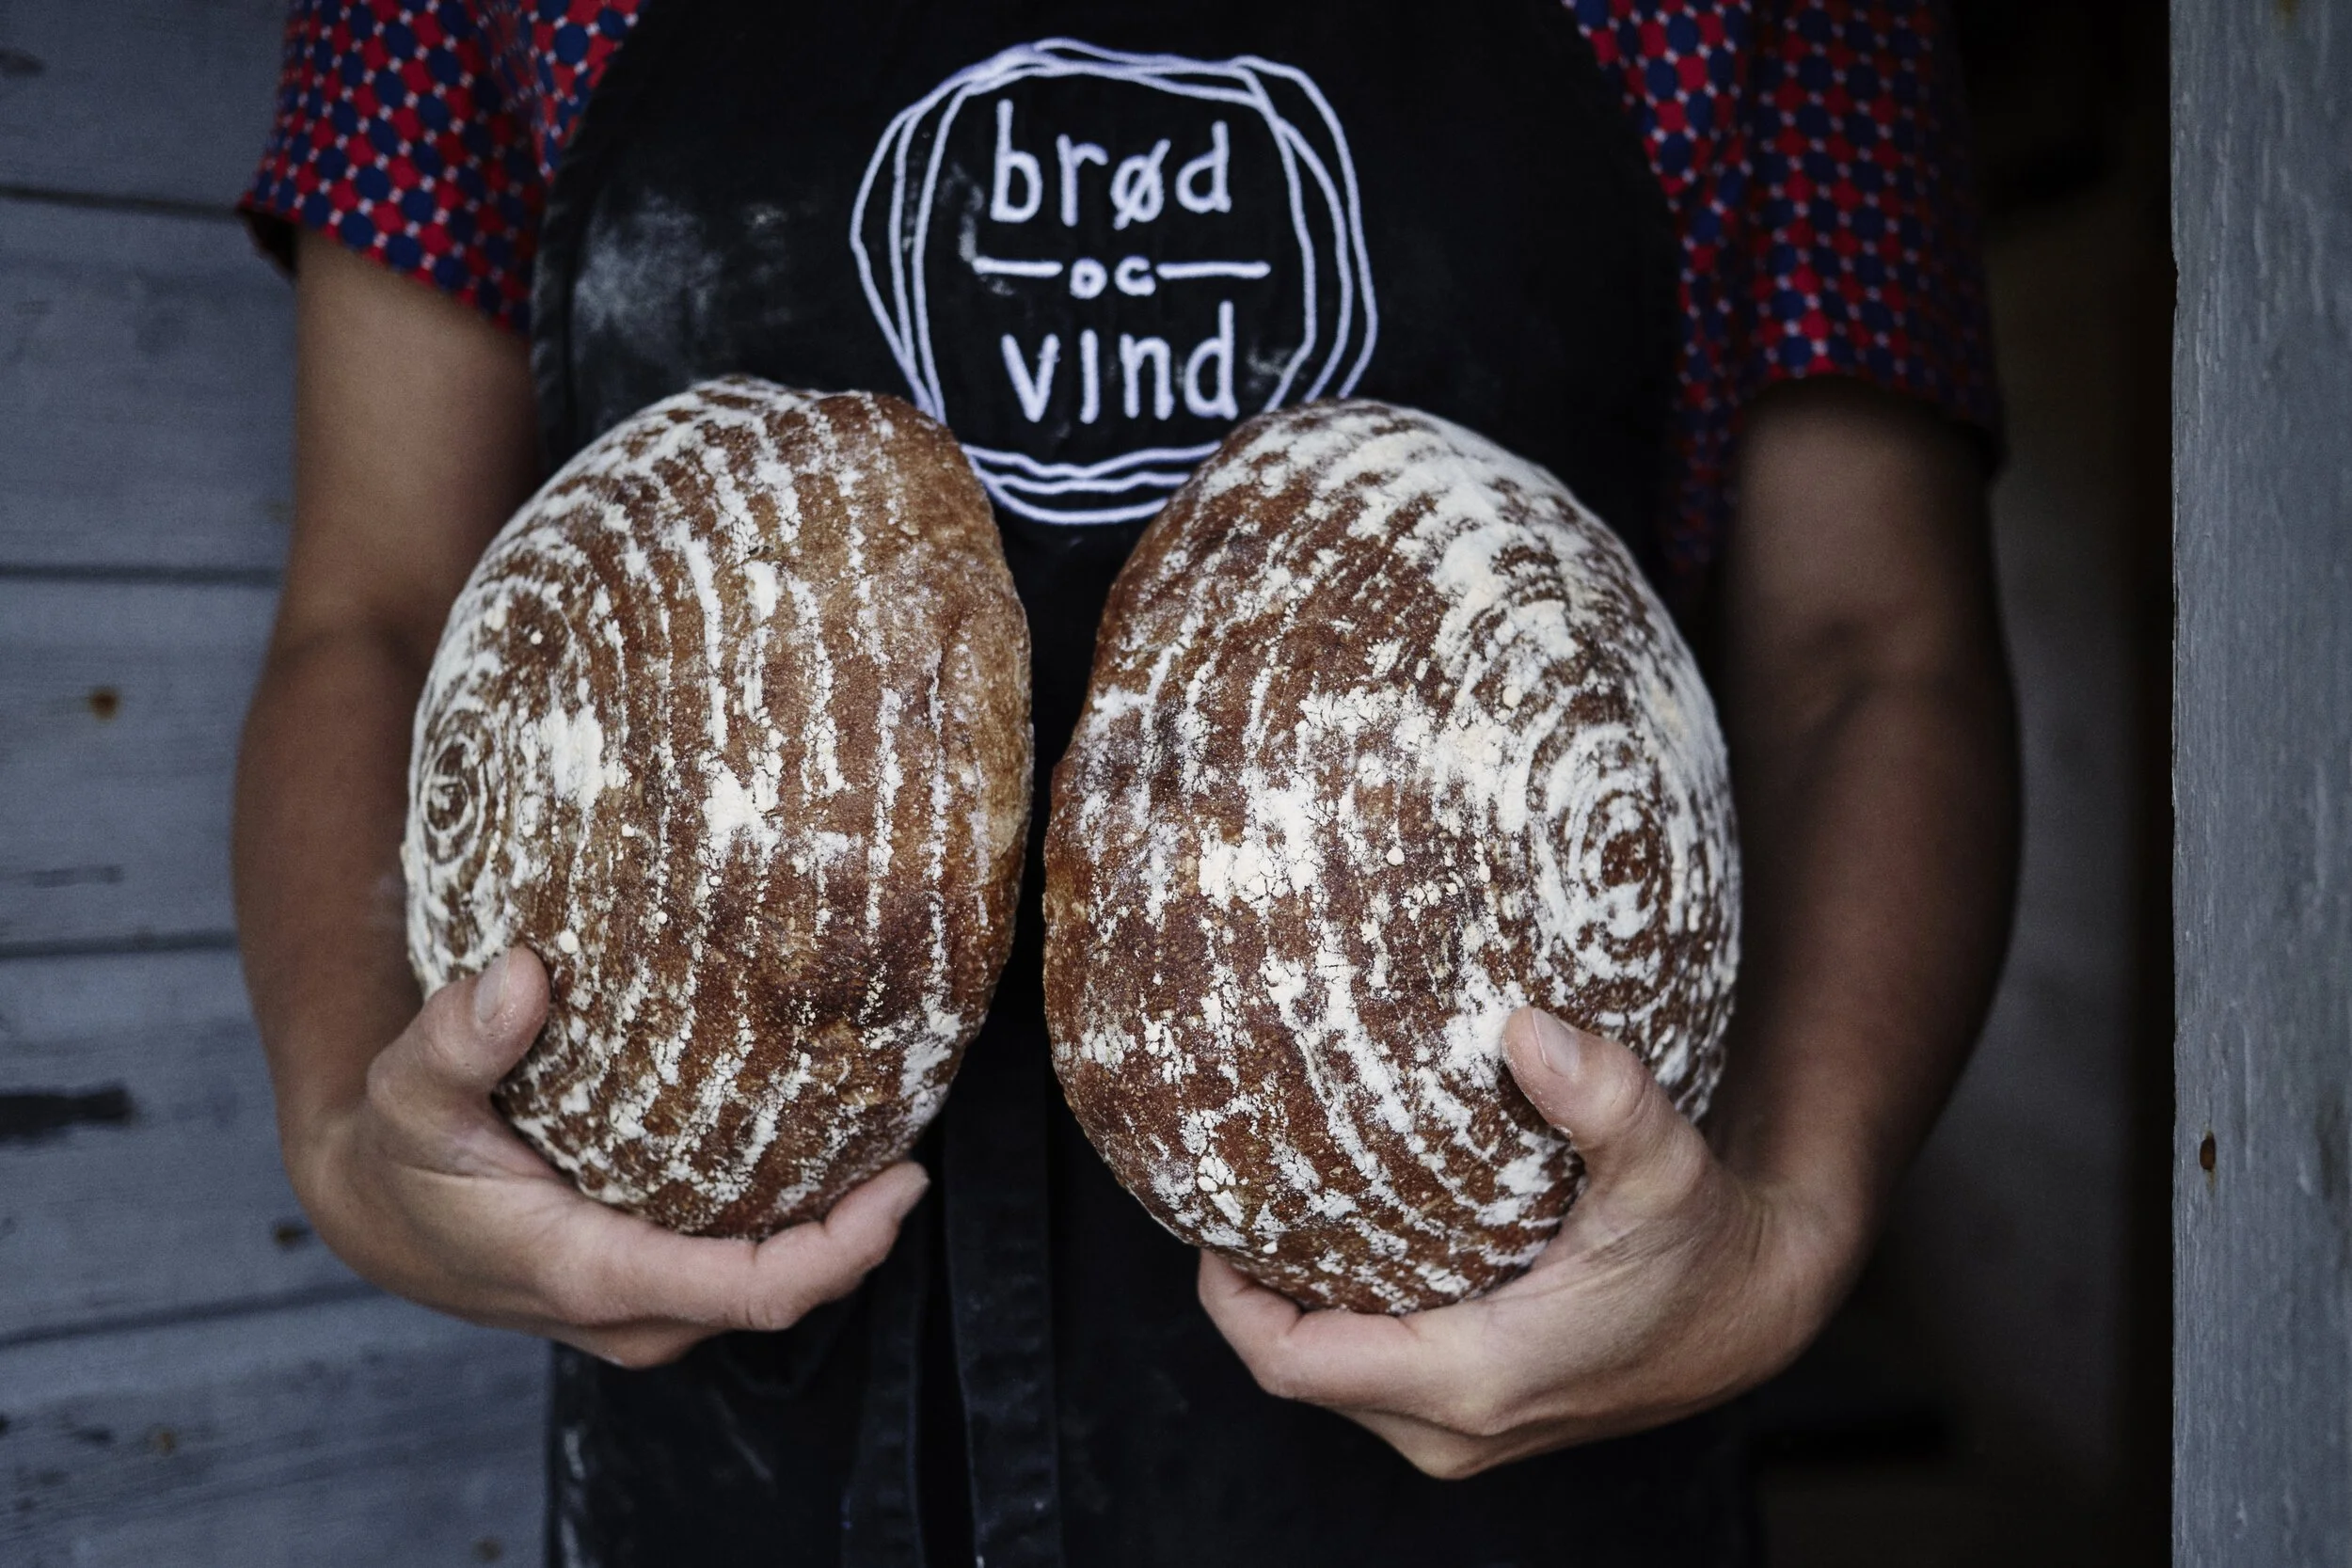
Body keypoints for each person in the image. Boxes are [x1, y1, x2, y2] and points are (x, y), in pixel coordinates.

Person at [233, 1, 2018, 1563]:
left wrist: (1792, 1233)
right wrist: (344, 1137)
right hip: (739, 1440)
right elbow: (372, 611)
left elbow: (1874, 652)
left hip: (1520, 1392)